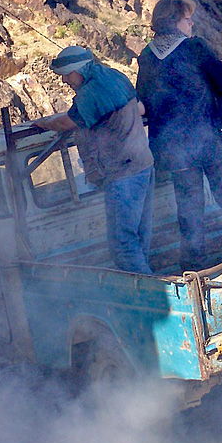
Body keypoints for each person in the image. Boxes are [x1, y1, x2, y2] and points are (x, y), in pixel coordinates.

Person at [136, 0, 222, 271]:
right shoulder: (194, 48)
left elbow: (144, 100)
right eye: (186, 18)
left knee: (189, 210)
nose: (191, 22)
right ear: (174, 22)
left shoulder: (147, 57)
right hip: (211, 141)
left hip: (175, 151)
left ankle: (193, 268)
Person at [34, 46, 155, 274]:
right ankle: (144, 285)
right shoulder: (116, 76)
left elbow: (65, 124)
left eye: (67, 75)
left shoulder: (91, 93)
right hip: (144, 165)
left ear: (79, 70)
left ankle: (148, 295)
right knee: (139, 237)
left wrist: (45, 124)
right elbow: (139, 109)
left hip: (123, 174)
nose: (65, 81)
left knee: (123, 245)